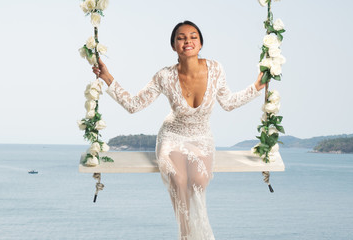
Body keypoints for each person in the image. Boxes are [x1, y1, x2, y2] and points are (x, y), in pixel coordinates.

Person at [92, 20, 265, 240]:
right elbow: (134, 105)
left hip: (201, 137)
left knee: (199, 181)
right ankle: (185, 236)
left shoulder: (216, 68)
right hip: (172, 136)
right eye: (181, 38)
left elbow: (228, 103)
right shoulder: (164, 76)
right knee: (178, 178)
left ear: (201, 43)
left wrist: (256, 88)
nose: (187, 41)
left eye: (193, 36)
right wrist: (107, 77)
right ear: (174, 46)